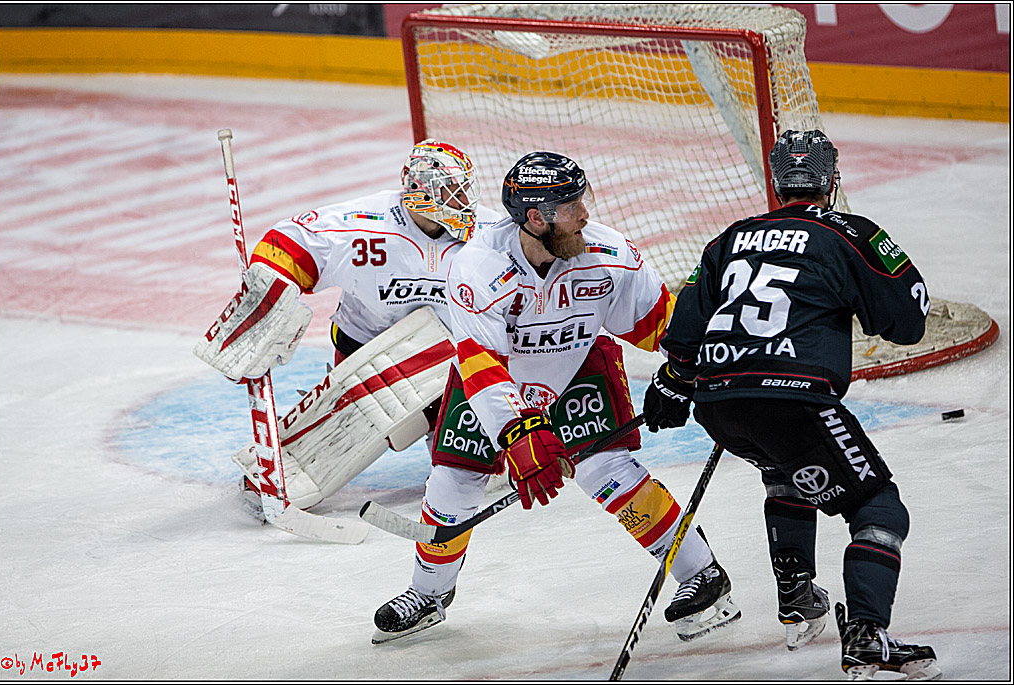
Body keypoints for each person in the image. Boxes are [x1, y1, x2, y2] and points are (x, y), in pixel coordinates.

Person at [372, 151, 741, 645]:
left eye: (582, 200)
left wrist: (710, 365)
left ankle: (703, 574)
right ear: (534, 217)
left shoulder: (609, 255)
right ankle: (429, 594)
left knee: (606, 472)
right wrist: (520, 432)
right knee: (453, 479)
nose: (585, 213)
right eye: (570, 206)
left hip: (577, 365)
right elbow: (482, 362)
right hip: (495, 377)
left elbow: (663, 326)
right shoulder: (477, 266)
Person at [644, 129, 940, 680]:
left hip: (719, 404)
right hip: (793, 400)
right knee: (877, 506)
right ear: (830, 180)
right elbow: (907, 322)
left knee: (786, 472)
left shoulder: (727, 239)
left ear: (778, 183)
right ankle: (868, 637)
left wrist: (672, 382)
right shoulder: (849, 232)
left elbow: (684, 327)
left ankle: (799, 598)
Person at [201, 139, 501, 514]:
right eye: (449, 192)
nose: (461, 202)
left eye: (463, 190)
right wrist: (266, 300)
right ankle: (276, 467)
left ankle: (456, 437)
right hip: (367, 349)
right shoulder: (363, 224)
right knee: (351, 433)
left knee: (476, 468)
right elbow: (288, 242)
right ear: (419, 191)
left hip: (452, 356)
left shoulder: (490, 233)